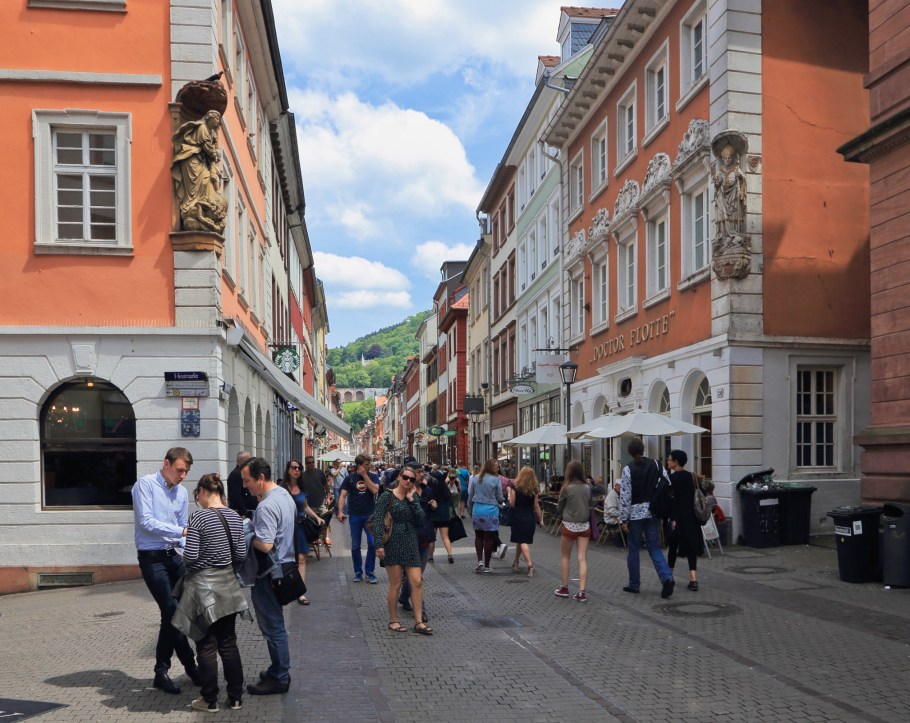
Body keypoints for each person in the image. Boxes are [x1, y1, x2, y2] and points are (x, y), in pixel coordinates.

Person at [176, 473, 251, 713]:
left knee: (206, 646)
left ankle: (209, 700)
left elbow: (192, 555)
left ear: (203, 492)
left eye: (196, 495)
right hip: (228, 585)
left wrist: (183, 557)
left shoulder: (198, 517)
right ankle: (236, 698)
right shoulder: (234, 516)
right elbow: (240, 554)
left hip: (203, 589)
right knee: (228, 644)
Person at [132, 447, 199, 695]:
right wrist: (181, 533)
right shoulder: (146, 485)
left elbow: (182, 527)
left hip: (174, 557)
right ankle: (177, 668)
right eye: (180, 470)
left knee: (180, 613)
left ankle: (169, 671)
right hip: (152, 558)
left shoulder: (181, 493)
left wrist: (191, 547)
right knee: (171, 611)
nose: (182, 476)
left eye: (186, 472)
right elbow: (146, 522)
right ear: (166, 464)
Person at [242, 457, 296, 695]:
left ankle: (280, 676)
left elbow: (264, 544)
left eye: (248, 481)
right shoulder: (284, 495)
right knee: (276, 625)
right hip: (285, 567)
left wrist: (245, 533)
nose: (245, 486)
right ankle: (278, 668)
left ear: (260, 478)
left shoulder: (265, 506)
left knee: (273, 627)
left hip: (269, 572)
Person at [373, 465, 433, 635]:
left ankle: (419, 621)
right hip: (392, 542)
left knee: (417, 581)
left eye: (411, 479)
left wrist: (413, 500)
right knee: (396, 583)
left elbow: (421, 519)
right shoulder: (387, 496)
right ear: (399, 477)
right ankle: (393, 620)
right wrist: (379, 545)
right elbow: (378, 521)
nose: (408, 481)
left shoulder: (412, 496)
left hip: (411, 541)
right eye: (405, 477)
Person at [620, 438, 675, 598]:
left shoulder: (628, 469)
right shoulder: (656, 464)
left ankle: (634, 584)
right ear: (643, 449)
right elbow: (668, 482)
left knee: (634, 549)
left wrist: (624, 519)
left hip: (635, 515)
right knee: (654, 548)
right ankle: (666, 578)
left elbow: (625, 496)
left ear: (630, 452)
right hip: (653, 512)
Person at [171, 109, 227, 233]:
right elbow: (207, 148)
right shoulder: (202, 128)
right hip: (191, 160)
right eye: (216, 119)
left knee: (205, 182)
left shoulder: (211, 132)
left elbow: (210, 150)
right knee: (196, 185)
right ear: (209, 118)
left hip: (200, 161)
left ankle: (199, 207)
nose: (218, 122)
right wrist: (215, 154)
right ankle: (190, 207)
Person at [281, 459, 324, 604]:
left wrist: (316, 517)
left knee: (302, 558)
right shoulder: (282, 488)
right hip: (286, 528)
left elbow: (305, 507)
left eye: (299, 468)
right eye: (294, 467)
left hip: (299, 527)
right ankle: (285, 588)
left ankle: (301, 592)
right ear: (288, 470)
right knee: (286, 558)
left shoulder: (302, 487)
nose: (297, 470)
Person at [337, 454, 380, 583]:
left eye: (369, 465)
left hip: (370, 515)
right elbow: (343, 495)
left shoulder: (373, 476)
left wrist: (365, 476)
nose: (369, 467)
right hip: (355, 515)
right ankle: (357, 572)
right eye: (366, 465)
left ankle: (370, 572)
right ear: (359, 465)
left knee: (372, 543)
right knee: (355, 545)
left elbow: (374, 490)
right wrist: (340, 511)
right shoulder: (350, 478)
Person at [554, 461, 591, 602]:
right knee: (582, 558)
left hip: (569, 525)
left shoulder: (566, 488)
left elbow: (560, 506)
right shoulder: (587, 488)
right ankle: (582, 592)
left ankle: (564, 588)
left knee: (565, 557)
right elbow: (590, 504)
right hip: (584, 526)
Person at [666, 450, 701, 591]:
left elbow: (671, 501)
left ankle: (669, 576)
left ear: (676, 462)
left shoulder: (672, 479)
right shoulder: (691, 476)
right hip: (691, 518)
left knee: (673, 547)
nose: (667, 461)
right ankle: (693, 579)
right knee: (691, 548)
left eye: (669, 459)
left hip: (677, 518)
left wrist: (672, 518)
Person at [469, 459, 505, 573]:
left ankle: (479, 560)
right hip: (490, 511)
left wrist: (470, 510)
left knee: (478, 536)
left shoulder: (475, 478)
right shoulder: (496, 480)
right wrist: (503, 502)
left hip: (477, 510)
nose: (498, 469)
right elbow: (499, 497)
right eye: (496, 467)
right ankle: (487, 565)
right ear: (491, 468)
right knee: (488, 538)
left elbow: (470, 496)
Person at [508, 467, 543, 577]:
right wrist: (541, 520)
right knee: (521, 539)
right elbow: (536, 507)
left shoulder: (515, 487)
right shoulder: (534, 489)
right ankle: (516, 562)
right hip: (529, 517)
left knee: (522, 541)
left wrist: (509, 495)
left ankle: (529, 565)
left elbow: (512, 504)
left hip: (517, 516)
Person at [300, 455, 332, 551]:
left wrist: (328, 497)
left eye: (312, 462)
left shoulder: (319, 473)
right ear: (306, 464)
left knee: (325, 519)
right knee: (312, 523)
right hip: (309, 505)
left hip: (321, 501)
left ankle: (326, 537)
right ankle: (315, 538)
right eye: (309, 463)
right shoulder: (303, 476)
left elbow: (326, 485)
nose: (311, 464)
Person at [428, 469, 455, 563]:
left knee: (432, 537)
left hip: (433, 515)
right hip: (444, 515)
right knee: (445, 537)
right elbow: (450, 502)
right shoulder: (445, 489)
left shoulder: (431, 489)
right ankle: (450, 554)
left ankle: (430, 556)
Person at [227, 451, 256, 519]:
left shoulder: (246, 473)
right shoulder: (236, 474)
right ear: (238, 462)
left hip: (250, 511)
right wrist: (243, 513)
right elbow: (237, 495)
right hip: (242, 513)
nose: (248, 463)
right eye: (245, 461)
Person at [603, 481, 624, 547]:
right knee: (628, 521)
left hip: (616, 516)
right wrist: (623, 514)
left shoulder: (617, 494)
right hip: (611, 518)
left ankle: (626, 540)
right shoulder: (611, 497)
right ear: (616, 486)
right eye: (621, 487)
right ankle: (622, 540)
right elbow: (612, 512)